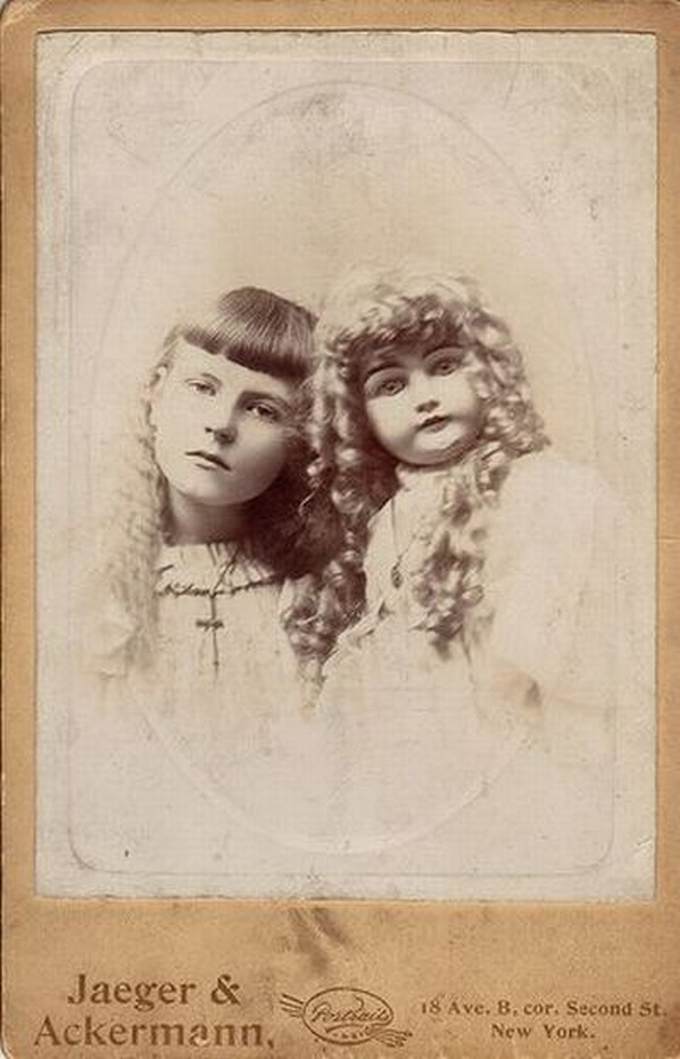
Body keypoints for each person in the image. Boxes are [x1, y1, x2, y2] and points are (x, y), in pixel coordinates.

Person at [291, 264, 621, 867]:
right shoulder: (386, 519)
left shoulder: (540, 490)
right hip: (407, 758)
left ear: (487, 369)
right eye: (391, 384)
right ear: (358, 415)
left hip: (504, 744)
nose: (424, 397)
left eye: (444, 366)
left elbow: (543, 659)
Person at [72, 287, 339, 871]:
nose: (220, 424)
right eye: (201, 387)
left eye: (263, 409)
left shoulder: (321, 597)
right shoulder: (85, 588)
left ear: (302, 441)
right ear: (155, 392)